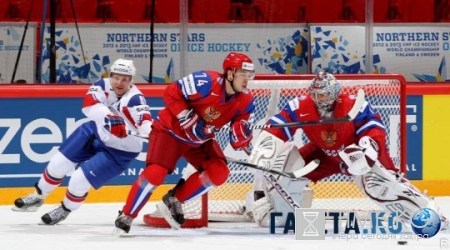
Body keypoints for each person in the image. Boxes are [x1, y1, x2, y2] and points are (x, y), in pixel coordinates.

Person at [246, 72, 450, 229]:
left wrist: (368, 149)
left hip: (354, 153)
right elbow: (278, 126)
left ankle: (427, 212)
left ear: (334, 93)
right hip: (322, 154)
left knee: (379, 186)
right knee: (290, 170)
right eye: (315, 94)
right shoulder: (300, 105)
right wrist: (265, 150)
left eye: (323, 94)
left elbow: (374, 128)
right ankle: (283, 214)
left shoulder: (354, 104)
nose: (318, 99)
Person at [114, 52, 256, 233]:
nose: (247, 80)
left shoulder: (246, 100)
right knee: (156, 173)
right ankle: (127, 214)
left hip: (198, 140)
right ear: (230, 73)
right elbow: (171, 92)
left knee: (219, 172)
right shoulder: (205, 81)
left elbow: (239, 138)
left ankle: (175, 199)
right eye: (243, 74)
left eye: (249, 75)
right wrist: (186, 117)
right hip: (169, 131)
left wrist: (241, 135)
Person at [12, 58, 152, 225]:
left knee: (78, 181)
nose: (119, 82)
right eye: (116, 77)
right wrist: (110, 118)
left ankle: (65, 209)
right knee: (57, 164)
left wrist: (147, 131)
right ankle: (38, 196)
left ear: (131, 81)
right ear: (110, 76)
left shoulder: (135, 99)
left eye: (125, 79)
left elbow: (145, 121)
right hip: (94, 132)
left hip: (120, 150)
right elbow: (88, 105)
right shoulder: (102, 85)